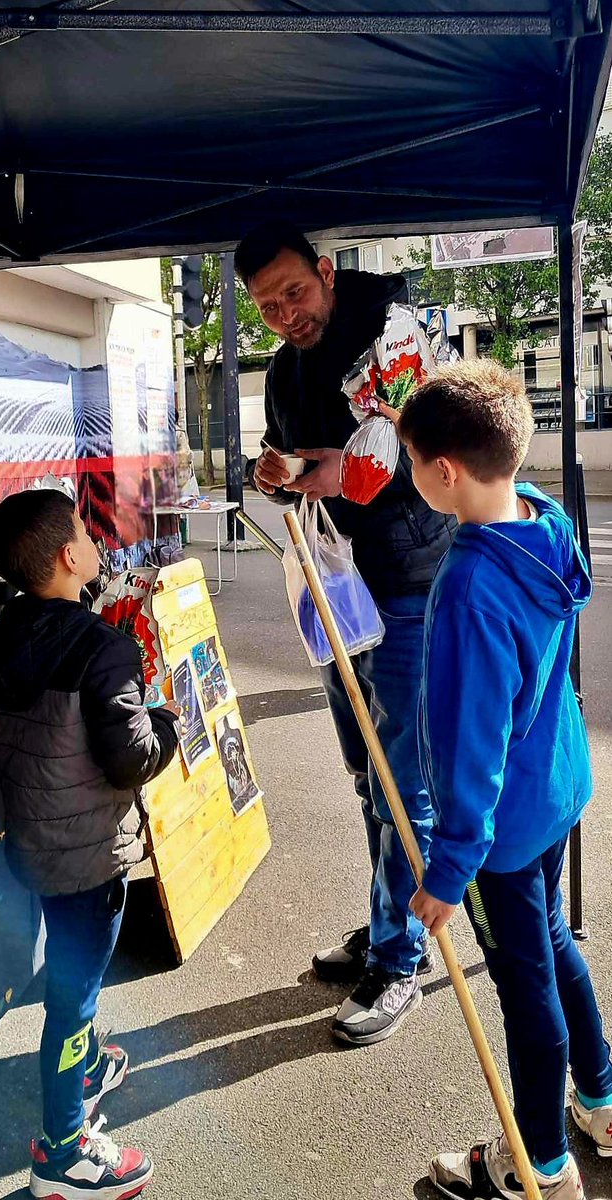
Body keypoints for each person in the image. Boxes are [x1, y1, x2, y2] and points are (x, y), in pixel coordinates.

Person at [234, 222, 456, 1046]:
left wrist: (332, 470)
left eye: (293, 291)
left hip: (406, 588)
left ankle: (401, 962)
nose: (285, 314)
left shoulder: (391, 334)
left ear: (325, 272)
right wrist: (281, 471)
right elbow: (300, 465)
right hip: (336, 597)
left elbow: (381, 466)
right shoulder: (285, 368)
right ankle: (385, 916)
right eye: (265, 306)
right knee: (369, 776)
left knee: (405, 788)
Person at [397, 361, 612, 1200]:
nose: (411, 476)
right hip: (552, 791)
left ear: (443, 471)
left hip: (502, 829)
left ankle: (536, 1164)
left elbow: (467, 742)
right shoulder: (544, 520)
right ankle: (600, 1099)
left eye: (413, 461)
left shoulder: (469, 585)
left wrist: (450, 870)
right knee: (552, 945)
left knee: (524, 982)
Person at [0, 488, 181, 1200]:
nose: (95, 546)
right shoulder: (103, 648)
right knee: (73, 999)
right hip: (90, 858)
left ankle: (86, 1067)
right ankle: (64, 1153)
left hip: (35, 849)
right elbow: (130, 757)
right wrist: (167, 723)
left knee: (68, 975)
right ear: (69, 557)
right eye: (87, 537)